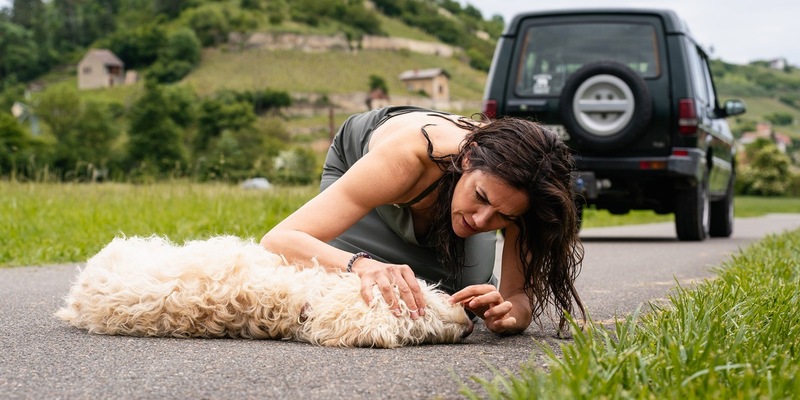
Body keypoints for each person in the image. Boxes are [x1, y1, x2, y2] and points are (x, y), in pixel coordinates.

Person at [261, 106, 584, 335]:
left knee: (457, 302)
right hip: (367, 169)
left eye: (504, 217)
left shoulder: (523, 189)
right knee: (350, 287)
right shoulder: (413, 154)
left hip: (449, 189)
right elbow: (279, 239)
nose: (481, 220)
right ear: (468, 158)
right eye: (481, 197)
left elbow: (519, 298)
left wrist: (509, 315)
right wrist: (363, 265)